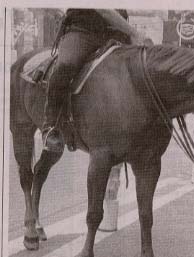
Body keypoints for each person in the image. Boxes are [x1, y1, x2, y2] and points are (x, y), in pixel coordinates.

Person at [42, 9, 148, 153]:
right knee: (66, 66)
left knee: (142, 71)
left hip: (117, 35)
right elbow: (105, 11)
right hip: (83, 30)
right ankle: (51, 125)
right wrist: (135, 33)